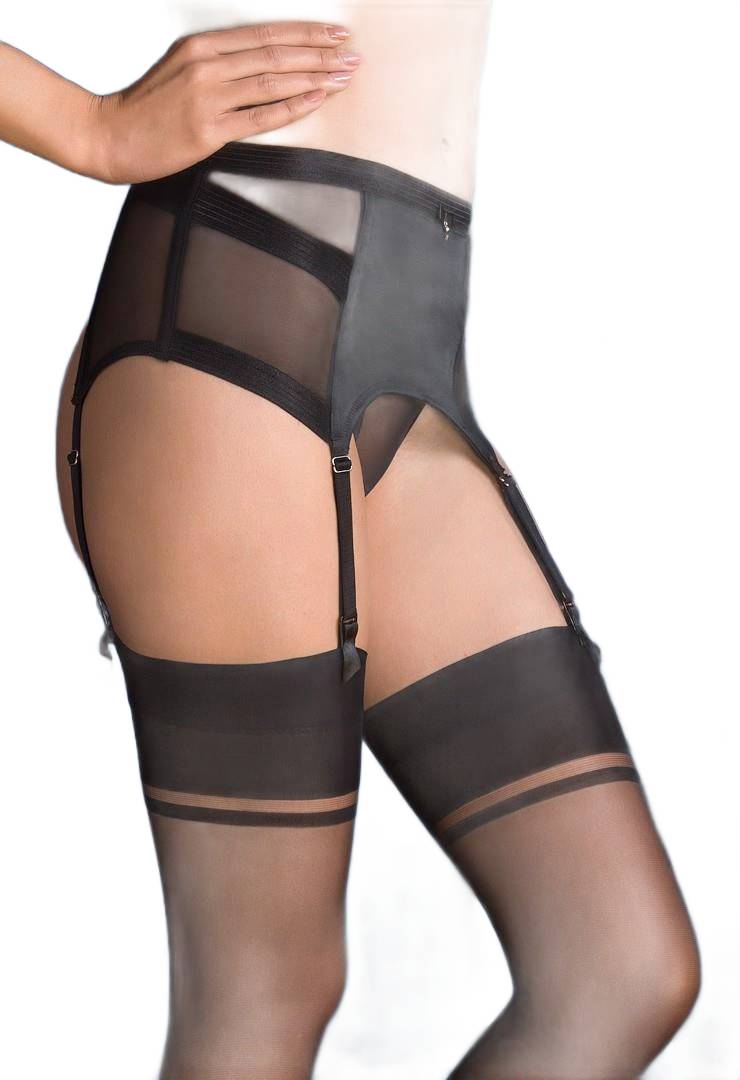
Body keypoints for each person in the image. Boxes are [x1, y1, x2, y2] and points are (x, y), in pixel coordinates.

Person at [1, 10, 700, 1078]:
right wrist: (88, 128)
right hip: (230, 306)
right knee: (265, 988)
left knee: (616, 965)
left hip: (412, 337)